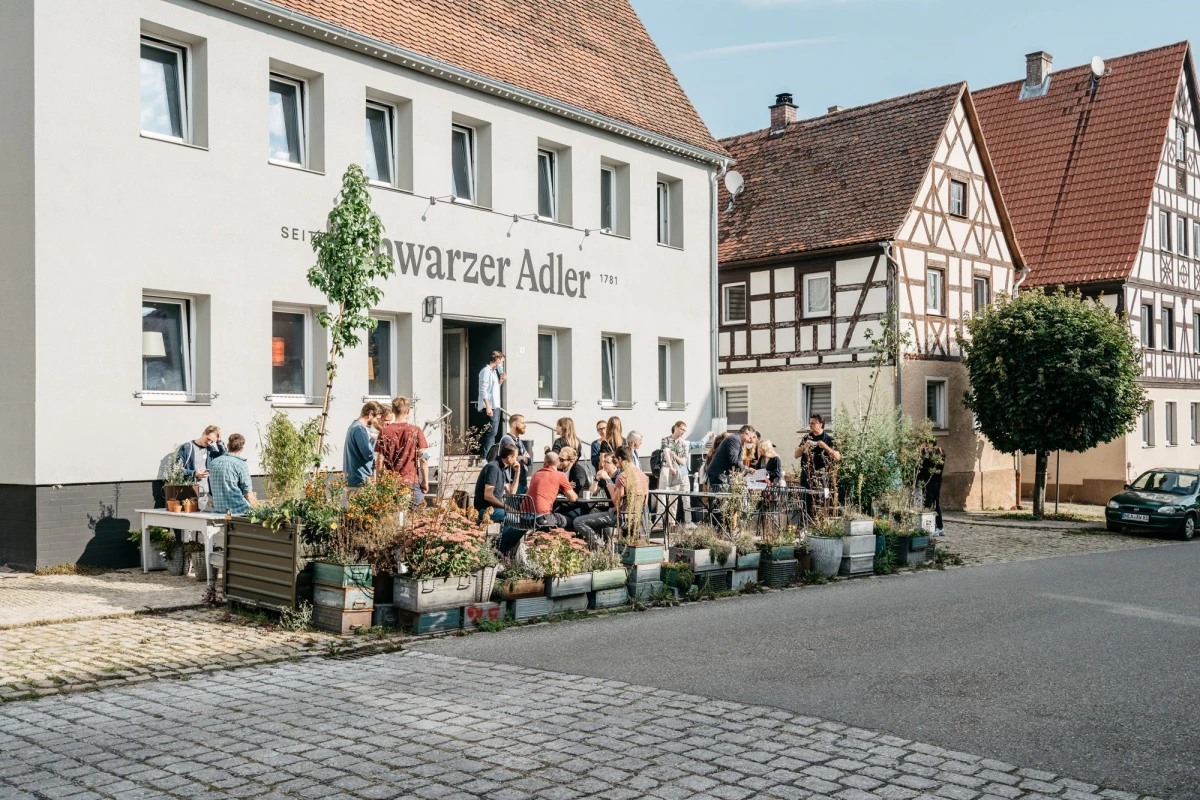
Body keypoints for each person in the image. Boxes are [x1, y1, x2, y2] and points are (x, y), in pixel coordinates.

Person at [573, 447, 647, 545]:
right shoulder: (643, 476)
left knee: (578, 521)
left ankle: (601, 546)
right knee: (592, 511)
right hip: (636, 517)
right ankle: (607, 543)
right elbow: (645, 502)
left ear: (619, 460)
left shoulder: (621, 476)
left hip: (620, 517)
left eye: (607, 462)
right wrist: (596, 479)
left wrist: (610, 484)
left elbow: (617, 503)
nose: (603, 465)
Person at [374, 396, 430, 506]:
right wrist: (425, 481)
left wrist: (379, 483)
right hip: (411, 482)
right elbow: (423, 459)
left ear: (393, 411)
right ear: (408, 411)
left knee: (392, 520)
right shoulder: (416, 430)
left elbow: (380, 460)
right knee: (417, 519)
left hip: (391, 484)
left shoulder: (384, 432)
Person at [659, 422, 712, 523]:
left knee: (680, 498)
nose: (683, 432)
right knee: (664, 496)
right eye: (681, 429)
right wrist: (671, 466)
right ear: (675, 427)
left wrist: (708, 436)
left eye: (684, 430)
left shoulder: (685, 443)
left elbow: (699, 444)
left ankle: (678, 522)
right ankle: (661, 522)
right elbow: (666, 452)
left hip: (681, 473)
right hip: (669, 471)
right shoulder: (666, 440)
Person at [795, 414, 841, 518]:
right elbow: (796, 455)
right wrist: (804, 447)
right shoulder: (807, 437)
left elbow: (837, 457)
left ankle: (820, 521)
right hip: (806, 473)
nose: (810, 426)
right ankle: (804, 523)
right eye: (809, 423)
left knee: (821, 500)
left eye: (812, 423)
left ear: (820, 424)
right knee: (805, 499)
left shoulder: (828, 439)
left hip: (821, 475)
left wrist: (825, 447)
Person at [176, 425, 227, 511]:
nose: (209, 443)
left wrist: (219, 441)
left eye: (212, 441)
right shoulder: (187, 448)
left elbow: (225, 456)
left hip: (208, 494)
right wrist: (194, 473)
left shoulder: (210, 450)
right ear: (203, 433)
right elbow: (177, 470)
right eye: (208, 439)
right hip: (192, 494)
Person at [209, 434, 257, 515]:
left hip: (220, 511)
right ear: (241, 449)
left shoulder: (213, 463)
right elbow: (248, 494)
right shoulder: (240, 464)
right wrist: (258, 509)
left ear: (227, 446)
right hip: (238, 511)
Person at [473, 444, 519, 524]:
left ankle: (504, 536)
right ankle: (505, 537)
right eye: (515, 457)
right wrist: (506, 507)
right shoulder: (493, 468)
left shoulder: (502, 469)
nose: (516, 460)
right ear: (509, 457)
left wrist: (517, 473)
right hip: (484, 510)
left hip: (495, 509)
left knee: (519, 517)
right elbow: (488, 496)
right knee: (516, 520)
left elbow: (512, 493)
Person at [345, 402, 383, 491]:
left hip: (354, 479)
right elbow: (368, 455)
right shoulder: (360, 429)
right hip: (360, 480)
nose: (376, 422)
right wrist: (374, 440)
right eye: (376, 418)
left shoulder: (354, 426)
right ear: (370, 414)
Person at [707, 425, 756, 489]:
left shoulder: (735, 439)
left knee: (723, 497)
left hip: (720, 474)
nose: (750, 440)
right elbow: (734, 461)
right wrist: (748, 469)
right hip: (719, 474)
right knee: (721, 497)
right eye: (750, 437)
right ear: (746, 433)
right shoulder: (734, 440)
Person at [477, 351, 506, 458]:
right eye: (502, 362)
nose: (502, 365)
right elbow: (483, 390)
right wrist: (488, 406)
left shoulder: (494, 372)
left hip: (496, 406)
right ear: (497, 360)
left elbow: (494, 389)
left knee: (493, 432)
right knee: (491, 432)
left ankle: (489, 456)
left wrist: (501, 381)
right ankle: (484, 457)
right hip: (490, 406)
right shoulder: (486, 371)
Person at [918, 439, 946, 535]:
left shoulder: (930, 454)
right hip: (938, 480)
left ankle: (932, 528)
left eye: (925, 443)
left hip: (929, 481)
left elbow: (924, 467)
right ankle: (940, 527)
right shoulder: (941, 451)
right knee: (936, 503)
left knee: (928, 504)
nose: (924, 445)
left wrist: (921, 454)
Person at [498, 414, 532, 494]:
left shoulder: (518, 441)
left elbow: (530, 461)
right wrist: (522, 457)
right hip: (513, 482)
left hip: (523, 482)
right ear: (514, 424)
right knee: (513, 506)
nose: (525, 425)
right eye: (522, 423)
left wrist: (523, 458)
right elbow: (511, 460)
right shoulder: (507, 440)